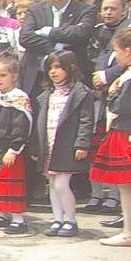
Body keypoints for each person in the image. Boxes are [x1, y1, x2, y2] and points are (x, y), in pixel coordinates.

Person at [33, 51, 95, 238]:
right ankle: (57, 218)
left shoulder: (81, 93)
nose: (54, 71)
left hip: (67, 143)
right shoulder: (46, 95)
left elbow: (86, 120)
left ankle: (71, 220)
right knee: (51, 183)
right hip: (49, 141)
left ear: (70, 68)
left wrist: (82, 144)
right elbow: (39, 122)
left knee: (62, 183)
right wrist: (36, 146)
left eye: (59, 67)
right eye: (51, 67)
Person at [19, 0, 96, 96]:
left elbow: (80, 33)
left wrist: (48, 31)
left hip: (72, 77)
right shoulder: (35, 9)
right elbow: (25, 37)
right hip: (37, 76)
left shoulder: (85, 10)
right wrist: (57, 48)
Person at [90, 27, 131, 245]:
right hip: (123, 130)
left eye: (118, 51)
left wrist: (113, 99)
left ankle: (129, 232)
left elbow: (122, 106)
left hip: (126, 131)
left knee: (126, 184)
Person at [0, 55, 32, 234]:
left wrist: (14, 149)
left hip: (9, 147)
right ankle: (1, 214)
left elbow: (21, 127)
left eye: (3, 75)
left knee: (10, 182)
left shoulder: (19, 99)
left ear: (15, 76)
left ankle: (18, 219)